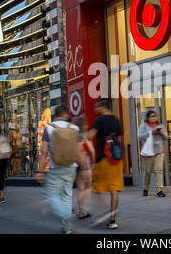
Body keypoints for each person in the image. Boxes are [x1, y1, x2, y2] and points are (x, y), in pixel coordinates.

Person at [36, 106, 87, 234]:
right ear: (66, 115)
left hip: (56, 167)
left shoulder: (49, 128)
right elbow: (80, 151)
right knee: (67, 195)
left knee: (51, 194)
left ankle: (64, 215)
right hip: (71, 167)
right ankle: (66, 227)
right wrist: (85, 169)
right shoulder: (75, 128)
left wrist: (40, 171)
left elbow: (43, 152)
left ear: (55, 115)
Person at [88, 99, 123, 230]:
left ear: (103, 107)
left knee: (97, 189)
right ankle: (112, 219)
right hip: (116, 159)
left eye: (97, 107)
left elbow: (90, 136)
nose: (95, 109)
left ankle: (102, 214)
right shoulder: (116, 120)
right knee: (114, 190)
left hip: (103, 160)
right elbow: (118, 140)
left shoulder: (99, 120)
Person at [138, 110, 168, 197]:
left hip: (159, 151)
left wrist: (161, 132)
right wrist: (150, 132)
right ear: (148, 118)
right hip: (148, 152)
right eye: (151, 116)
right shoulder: (143, 126)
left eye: (155, 116)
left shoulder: (161, 126)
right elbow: (139, 136)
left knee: (159, 170)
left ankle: (159, 190)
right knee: (148, 172)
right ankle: (145, 188)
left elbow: (166, 138)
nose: (153, 118)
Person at [72, 116, 95, 219]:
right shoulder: (83, 136)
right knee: (88, 187)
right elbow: (91, 150)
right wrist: (93, 163)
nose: (87, 125)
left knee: (80, 188)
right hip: (83, 163)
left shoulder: (72, 135)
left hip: (74, 164)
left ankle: (81, 210)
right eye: (86, 124)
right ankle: (81, 208)